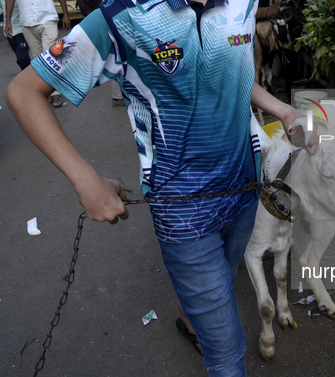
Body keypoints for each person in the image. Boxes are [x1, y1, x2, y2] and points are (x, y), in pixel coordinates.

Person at [5, 0, 317, 376]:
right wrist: (84, 178)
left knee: (227, 273)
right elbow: (24, 92)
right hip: (181, 211)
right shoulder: (122, 15)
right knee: (227, 355)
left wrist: (284, 110)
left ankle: (189, 317)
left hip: (245, 191)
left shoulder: (243, 4)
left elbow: (234, 72)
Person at [4, 0, 70, 106]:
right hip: (27, 21)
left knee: (50, 59)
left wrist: (65, 14)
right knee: (38, 60)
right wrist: (8, 21)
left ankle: (56, 92)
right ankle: (46, 91)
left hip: (47, 18)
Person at [1, 0, 31, 70]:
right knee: (20, 57)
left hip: (22, 28)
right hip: (9, 30)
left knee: (22, 57)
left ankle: (30, 75)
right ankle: (28, 74)